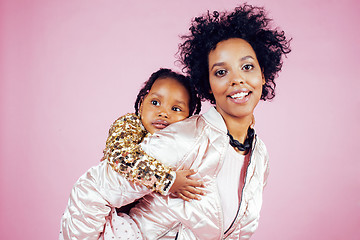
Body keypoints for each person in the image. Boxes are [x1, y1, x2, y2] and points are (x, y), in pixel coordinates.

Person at [62, 4, 291, 239]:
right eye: (221, 72)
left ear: (263, 74)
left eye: (247, 67)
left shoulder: (259, 156)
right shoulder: (184, 138)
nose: (237, 80)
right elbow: (90, 191)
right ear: (208, 85)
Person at [59, 68, 204, 239]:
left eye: (176, 108)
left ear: (189, 117)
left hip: (140, 216)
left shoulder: (181, 142)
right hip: (105, 210)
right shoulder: (130, 125)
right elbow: (122, 158)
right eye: (155, 102)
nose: (163, 113)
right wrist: (168, 181)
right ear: (142, 104)